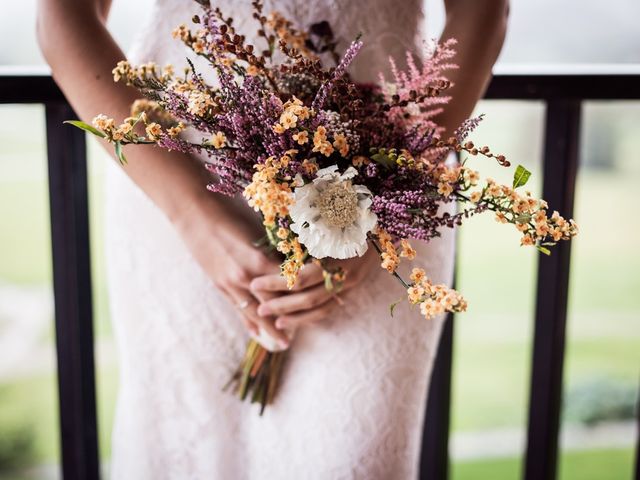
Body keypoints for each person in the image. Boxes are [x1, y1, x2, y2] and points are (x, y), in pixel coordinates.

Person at [37, 0, 508, 477]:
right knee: (186, 448)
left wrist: (388, 196)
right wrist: (191, 215)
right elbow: (63, 16)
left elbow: (483, 9)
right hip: (173, 172)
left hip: (385, 170)